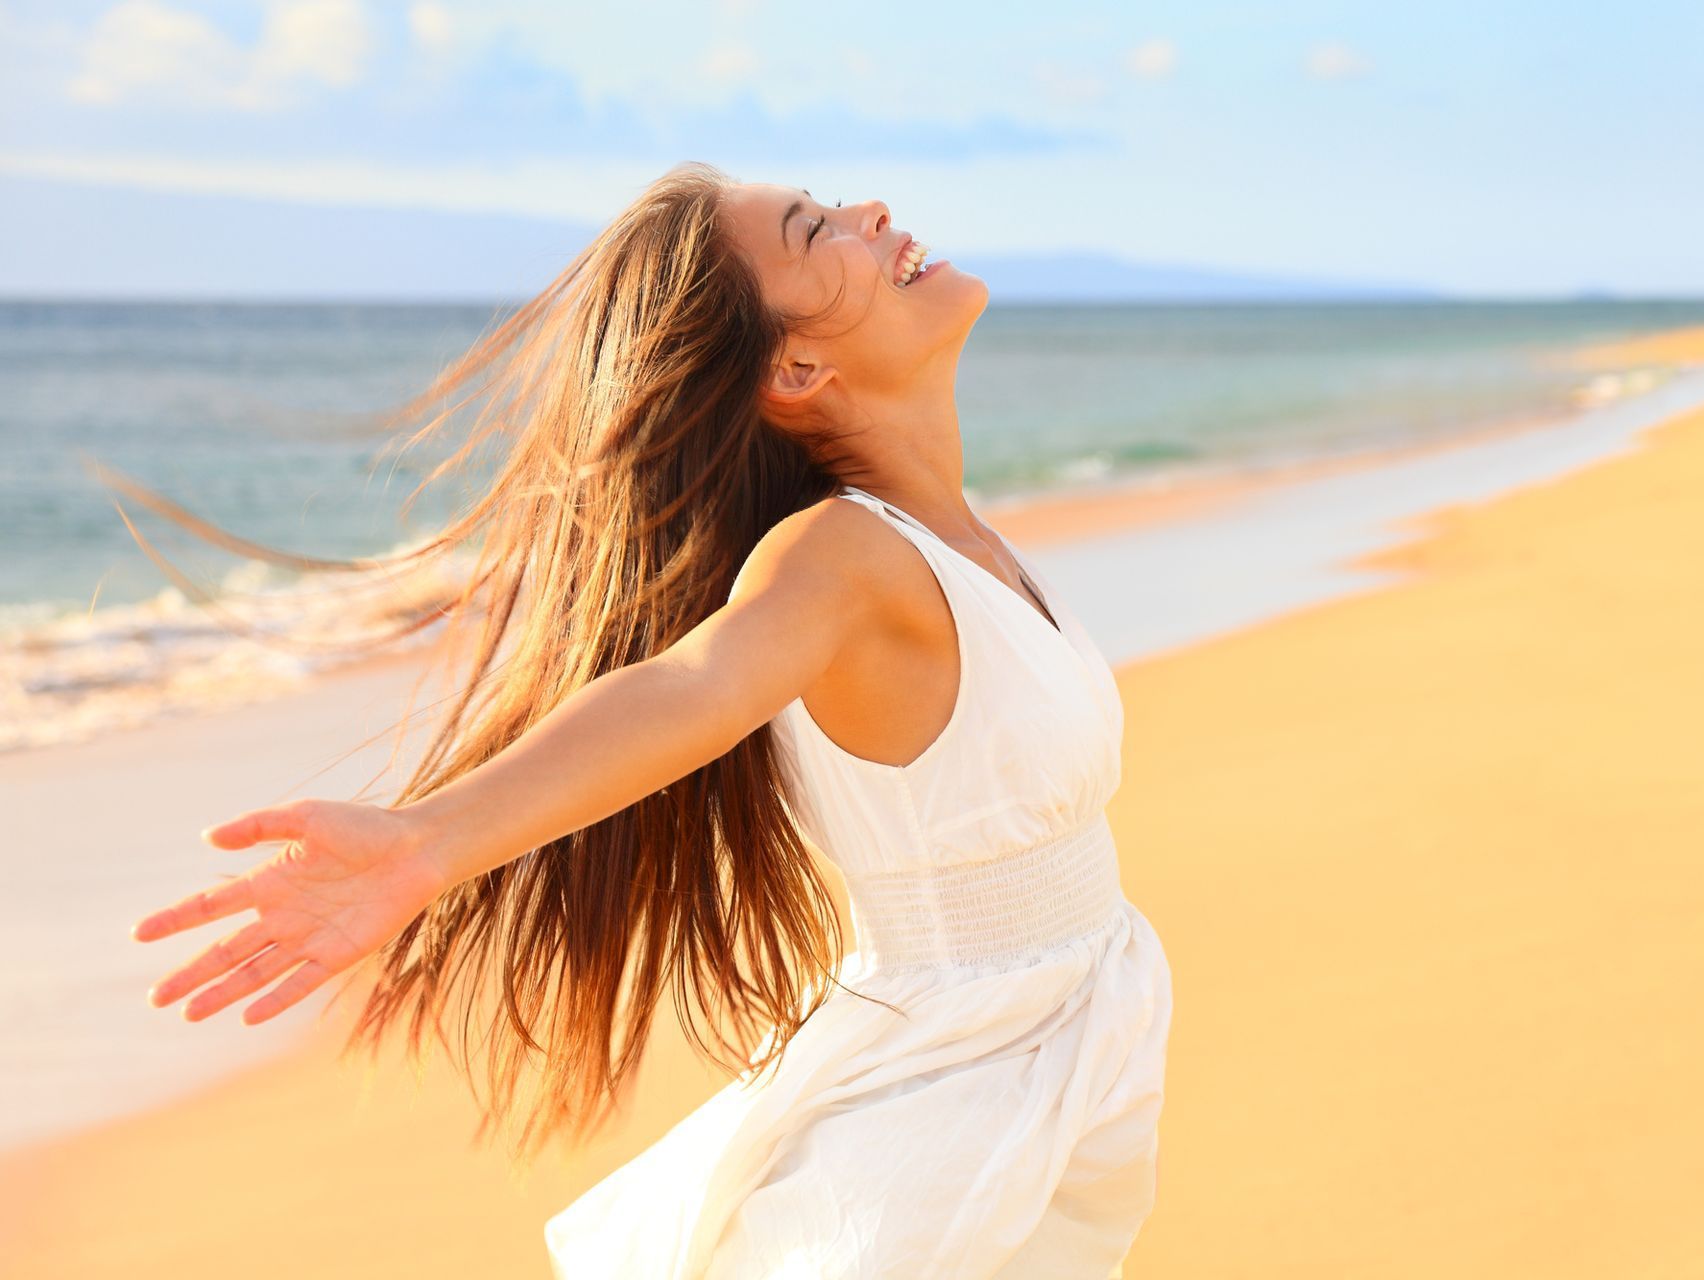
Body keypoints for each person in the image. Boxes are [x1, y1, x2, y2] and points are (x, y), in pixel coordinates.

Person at [127, 161, 1173, 1278]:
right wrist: (432, 838)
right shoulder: (841, 557)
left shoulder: (960, 542)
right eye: (817, 229)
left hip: (1062, 1043)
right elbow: (695, 685)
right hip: (944, 1100)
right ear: (798, 364)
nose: (870, 212)